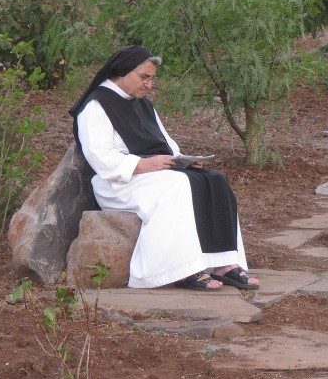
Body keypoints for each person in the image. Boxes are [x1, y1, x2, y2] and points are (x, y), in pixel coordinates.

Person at [69, 45, 259, 291]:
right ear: (122, 72)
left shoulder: (142, 103)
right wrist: (142, 164)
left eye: (152, 78)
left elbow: (165, 143)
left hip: (153, 174)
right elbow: (99, 156)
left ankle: (225, 264)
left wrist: (183, 160)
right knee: (179, 185)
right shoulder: (96, 106)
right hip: (118, 182)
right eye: (144, 77)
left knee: (215, 179)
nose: (149, 85)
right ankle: (182, 270)